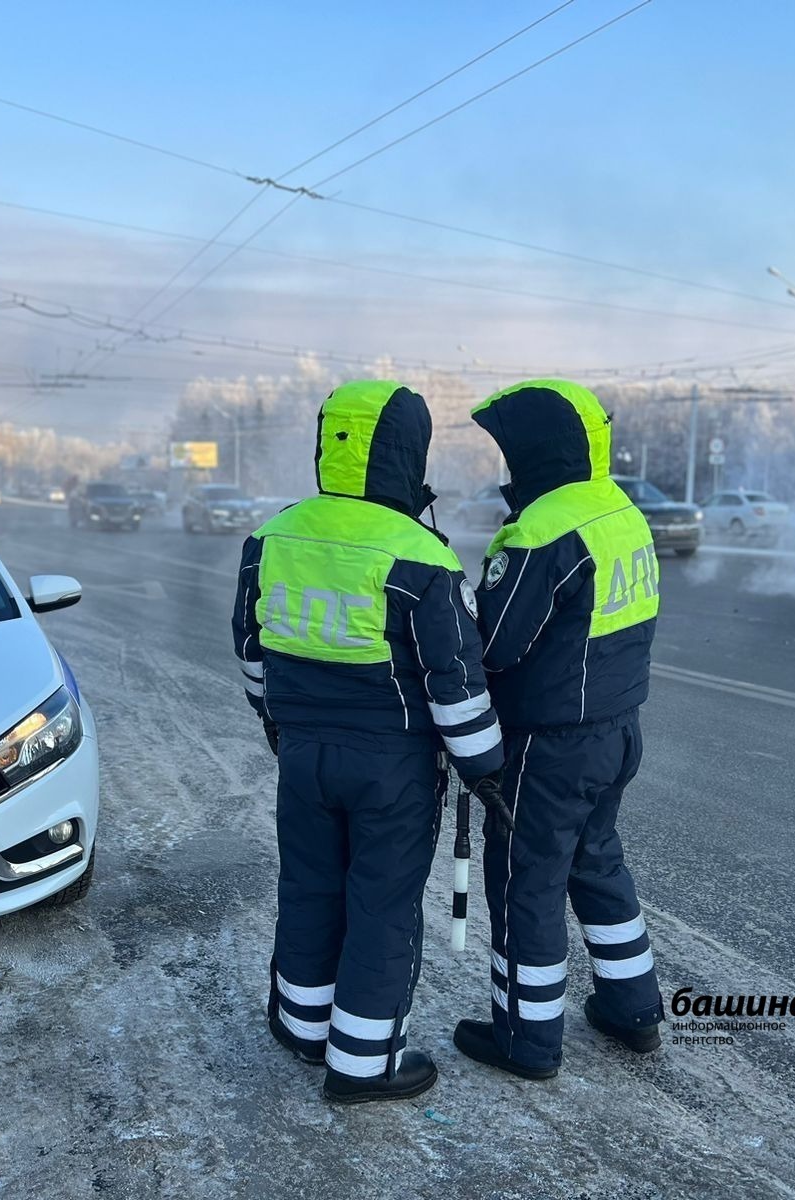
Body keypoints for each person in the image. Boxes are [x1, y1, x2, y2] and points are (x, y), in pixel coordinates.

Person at [231, 379, 509, 1104]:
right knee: (382, 904)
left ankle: (302, 1026)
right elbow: (454, 681)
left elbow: (253, 652)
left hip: (303, 754)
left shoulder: (273, 534)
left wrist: (276, 725)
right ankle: (363, 1064)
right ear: (407, 454)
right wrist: (485, 769)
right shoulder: (420, 555)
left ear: (329, 445)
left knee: (309, 887)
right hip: (393, 766)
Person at [452, 379, 664, 1081]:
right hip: (617, 730)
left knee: (526, 883)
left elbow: (500, 642)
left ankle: (527, 1040)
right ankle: (634, 1011)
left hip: (549, 743)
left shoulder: (543, 529)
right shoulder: (621, 511)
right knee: (597, 862)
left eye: (512, 456)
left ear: (538, 454)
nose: (506, 472)